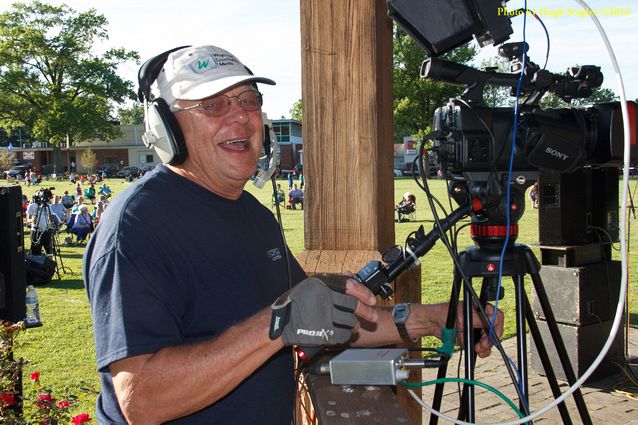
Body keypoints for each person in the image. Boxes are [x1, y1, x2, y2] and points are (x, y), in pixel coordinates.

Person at [83, 45, 503, 425]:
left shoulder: (255, 217)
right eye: (212, 105)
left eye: (248, 100)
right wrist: (277, 324)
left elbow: (325, 320)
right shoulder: (137, 227)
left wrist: (436, 318)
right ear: (165, 128)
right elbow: (142, 401)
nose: (240, 116)